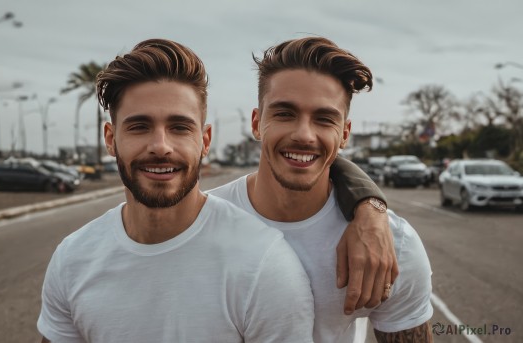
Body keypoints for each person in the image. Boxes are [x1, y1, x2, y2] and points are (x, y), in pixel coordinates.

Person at [37, 38, 315, 343]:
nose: (160, 146)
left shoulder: (264, 265)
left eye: (179, 127)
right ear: (110, 138)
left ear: (205, 140)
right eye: (139, 126)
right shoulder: (72, 259)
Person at [209, 37, 433, 342]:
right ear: (257, 122)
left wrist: (372, 208)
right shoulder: (203, 221)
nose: (304, 135)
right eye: (285, 114)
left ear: (345, 134)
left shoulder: (393, 246)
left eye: (324, 119)